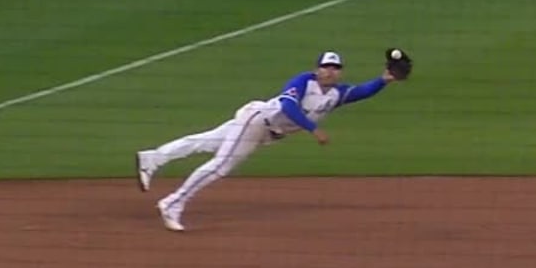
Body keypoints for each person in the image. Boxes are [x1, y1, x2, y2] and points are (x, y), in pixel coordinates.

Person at [135, 48, 412, 232]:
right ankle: (172, 203)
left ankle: (153, 158)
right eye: (326, 67)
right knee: (221, 166)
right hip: (257, 120)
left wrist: (384, 79)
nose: (330, 71)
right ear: (317, 69)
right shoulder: (303, 81)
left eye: (335, 67)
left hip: (265, 131)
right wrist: (313, 130)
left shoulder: (337, 94)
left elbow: (363, 91)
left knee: (205, 141)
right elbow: (288, 108)